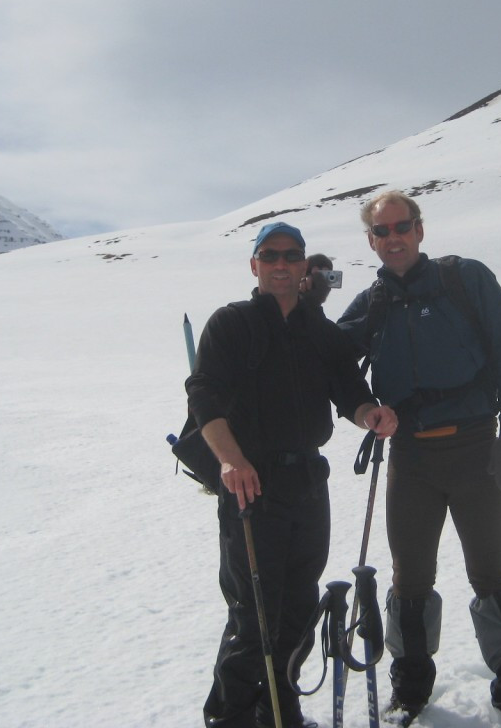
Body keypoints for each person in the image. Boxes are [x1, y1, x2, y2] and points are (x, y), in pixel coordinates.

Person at [337, 191, 501, 728]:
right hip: (411, 459)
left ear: (420, 230)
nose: (393, 237)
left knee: (490, 574)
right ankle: (409, 688)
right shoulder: (372, 303)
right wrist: (363, 408)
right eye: (382, 231)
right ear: (371, 241)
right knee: (409, 578)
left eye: (402, 226)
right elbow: (327, 361)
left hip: (477, 451)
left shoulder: (465, 280)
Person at [186, 222, 398, 728]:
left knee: (301, 607)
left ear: (304, 265)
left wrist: (369, 414)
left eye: (292, 255)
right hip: (250, 484)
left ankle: (278, 709)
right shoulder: (230, 324)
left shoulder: (318, 330)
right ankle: (230, 717)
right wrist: (232, 461)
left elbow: (349, 388)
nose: (282, 264)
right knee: (253, 615)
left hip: (307, 484)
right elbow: (203, 396)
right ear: (254, 265)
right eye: (271, 255)